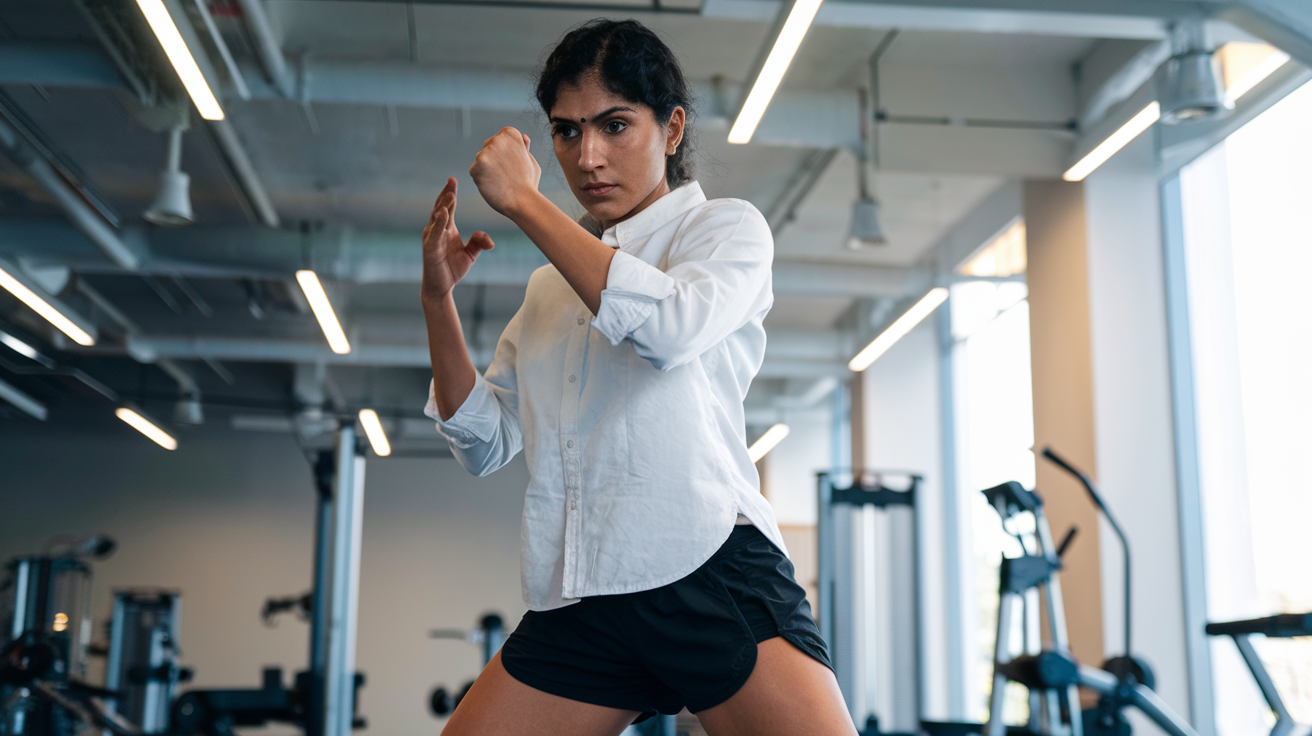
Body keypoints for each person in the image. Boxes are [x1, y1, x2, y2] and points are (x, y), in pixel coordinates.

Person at [420, 18, 857, 736]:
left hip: (707, 569)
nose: (588, 156)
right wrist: (439, 302)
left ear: (673, 127)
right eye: (566, 132)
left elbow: (668, 329)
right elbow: (482, 444)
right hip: (585, 594)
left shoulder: (725, 231)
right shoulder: (548, 290)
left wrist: (527, 203)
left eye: (614, 125)